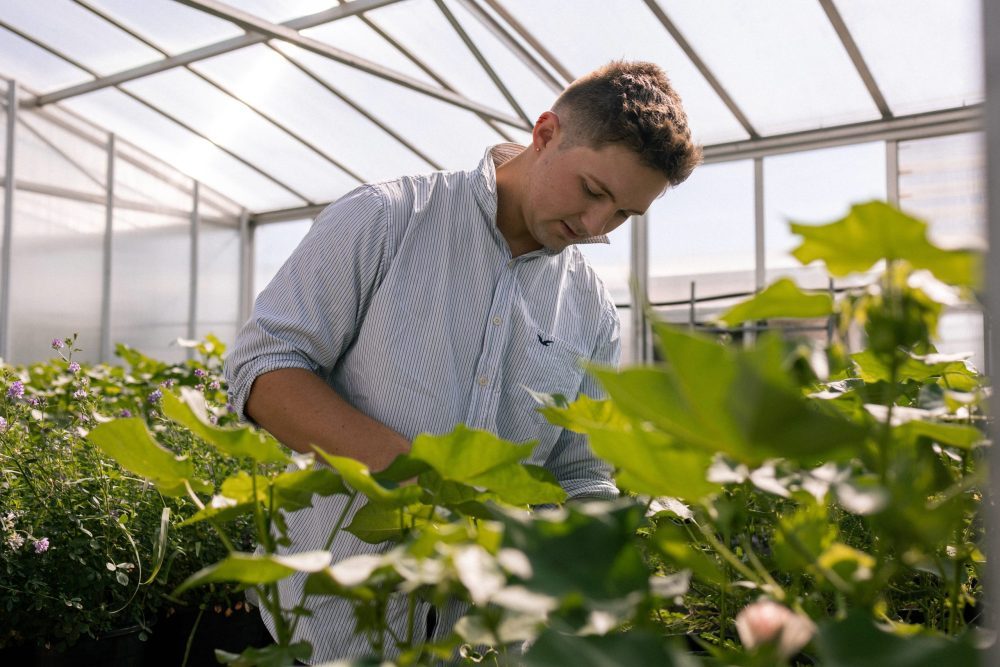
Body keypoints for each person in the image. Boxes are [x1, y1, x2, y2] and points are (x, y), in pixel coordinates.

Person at [223, 59, 702, 663]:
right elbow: (264, 370)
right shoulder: (387, 219)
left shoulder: (591, 309)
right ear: (546, 132)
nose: (594, 225)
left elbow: (582, 472)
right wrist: (422, 482)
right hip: (320, 628)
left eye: (625, 215)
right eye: (593, 191)